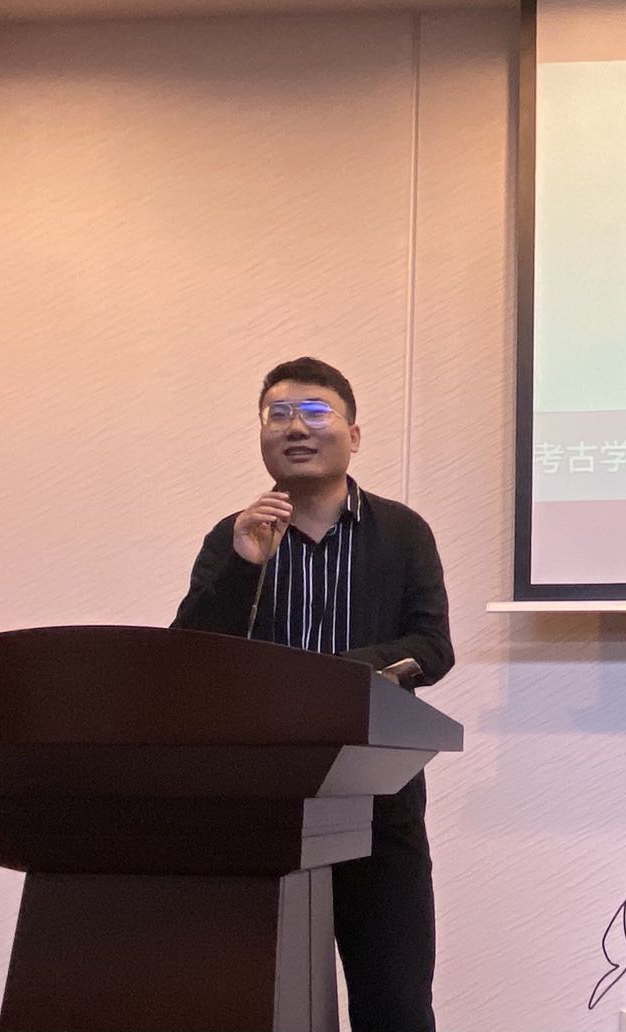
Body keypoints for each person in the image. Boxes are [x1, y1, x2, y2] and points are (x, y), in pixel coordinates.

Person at [172, 356, 453, 1032]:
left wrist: (331, 679)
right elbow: (190, 657)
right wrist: (243, 566)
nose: (296, 428)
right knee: (260, 1004)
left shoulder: (401, 532)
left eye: (316, 413)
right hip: (260, 807)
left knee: (395, 1006)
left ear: (353, 435)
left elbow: (432, 646)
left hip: (377, 802)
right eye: (278, 415)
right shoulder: (234, 536)